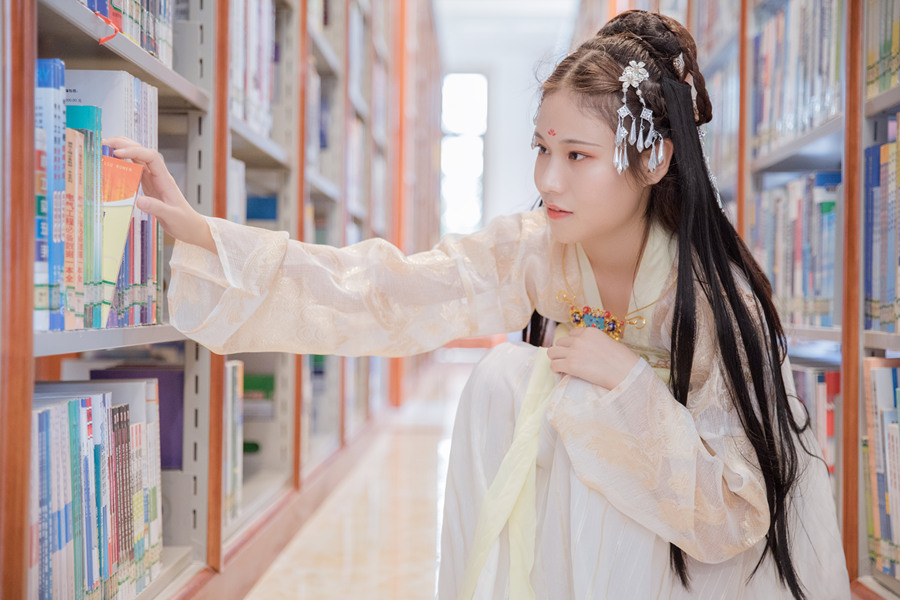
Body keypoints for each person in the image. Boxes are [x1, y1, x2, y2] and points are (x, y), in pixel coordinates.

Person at [105, 9, 850, 600]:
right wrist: (205, 235)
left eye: (578, 155)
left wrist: (628, 386)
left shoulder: (718, 302)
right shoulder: (537, 250)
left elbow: (732, 516)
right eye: (541, 149)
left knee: (561, 389)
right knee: (505, 376)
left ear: (653, 158)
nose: (548, 179)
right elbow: (386, 291)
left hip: (705, 566)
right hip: (588, 545)